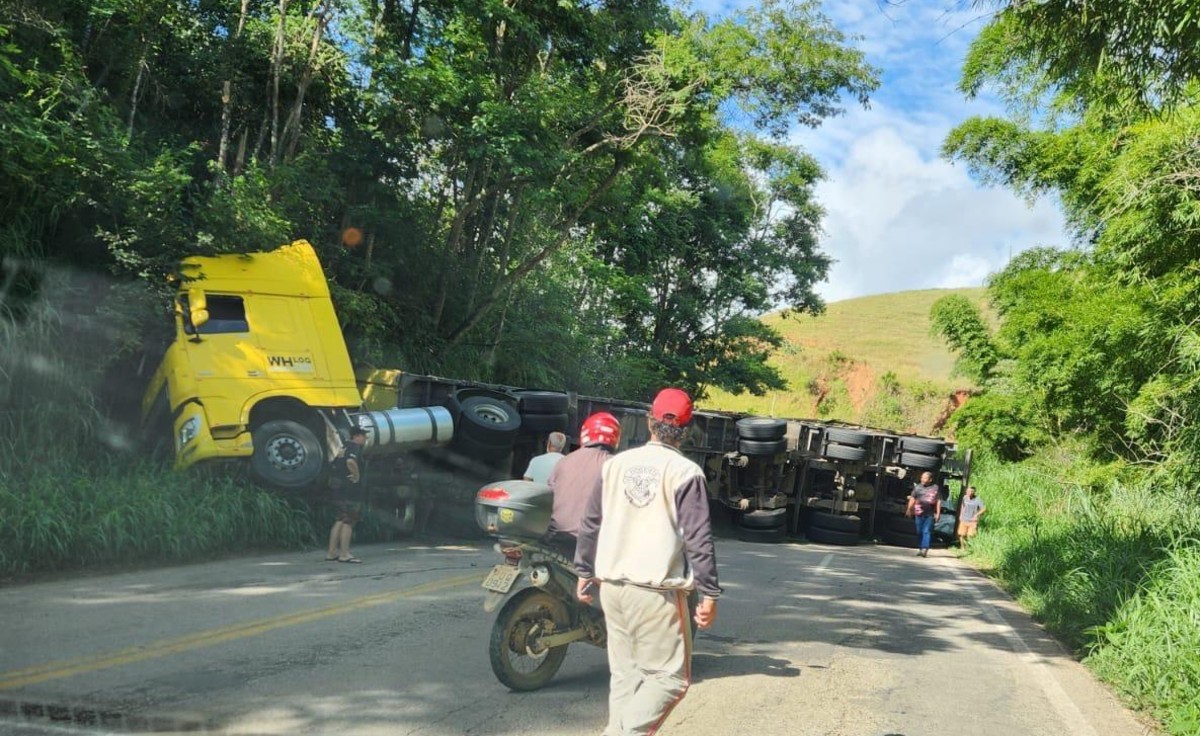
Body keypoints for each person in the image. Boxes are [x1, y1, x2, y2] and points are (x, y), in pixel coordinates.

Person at [575, 388, 721, 736]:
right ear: (688, 430)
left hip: (611, 588)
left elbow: (590, 521)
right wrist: (710, 593)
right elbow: (697, 538)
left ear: (648, 421)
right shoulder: (685, 473)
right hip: (655, 594)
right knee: (671, 680)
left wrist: (583, 571)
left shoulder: (616, 465)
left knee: (626, 675)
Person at [541, 412, 622, 558]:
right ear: (615, 438)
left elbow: (549, 494)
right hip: (592, 544)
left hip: (555, 537)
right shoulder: (616, 466)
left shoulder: (564, 462)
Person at [326, 426, 367, 563]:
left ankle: (331, 553)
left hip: (338, 488)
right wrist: (357, 476)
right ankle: (345, 554)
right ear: (356, 436)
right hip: (350, 490)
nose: (365, 439)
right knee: (349, 521)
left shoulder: (342, 448)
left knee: (339, 520)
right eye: (363, 436)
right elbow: (350, 461)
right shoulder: (354, 447)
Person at [905, 470, 941, 558]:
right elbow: (912, 499)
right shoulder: (917, 488)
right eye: (922, 478)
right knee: (919, 531)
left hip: (929, 514)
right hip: (918, 513)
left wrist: (938, 513)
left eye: (925, 478)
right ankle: (921, 548)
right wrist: (909, 509)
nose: (923, 479)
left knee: (926, 531)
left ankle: (925, 548)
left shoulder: (935, 488)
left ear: (930, 479)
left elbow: (938, 501)